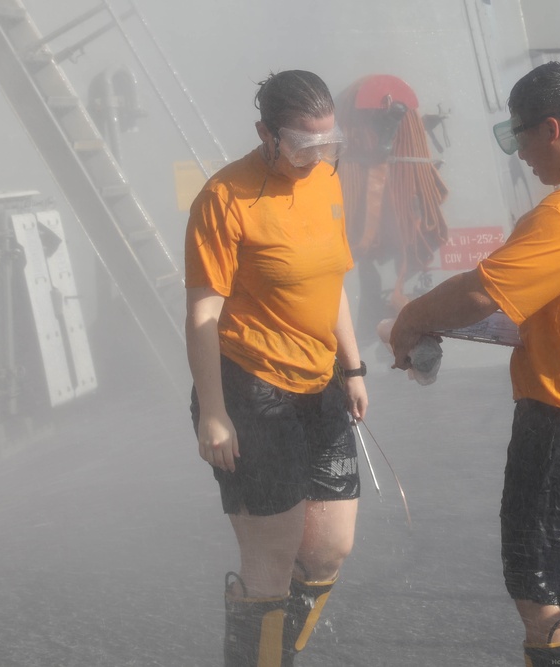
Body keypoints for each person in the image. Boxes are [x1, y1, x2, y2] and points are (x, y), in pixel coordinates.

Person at [390, 59, 560, 666]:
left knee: (544, 602)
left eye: (517, 138)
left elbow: (479, 292)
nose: (520, 155)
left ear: (552, 129)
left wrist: (412, 318)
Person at [184, 69, 369, 666]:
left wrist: (355, 366)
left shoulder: (327, 182)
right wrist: (213, 412)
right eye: (301, 145)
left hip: (322, 385)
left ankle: (274, 657)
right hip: (251, 390)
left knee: (328, 552)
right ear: (265, 133)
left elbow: (332, 281)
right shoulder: (225, 197)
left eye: (328, 144)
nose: (315, 157)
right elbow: (203, 313)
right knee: (270, 564)